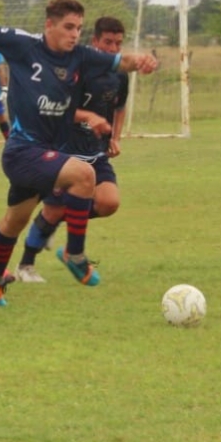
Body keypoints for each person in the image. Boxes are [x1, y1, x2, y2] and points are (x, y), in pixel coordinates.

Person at [0, 0, 157, 307]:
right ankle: (75, 254)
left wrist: (142, 61)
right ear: (49, 25)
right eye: (68, 27)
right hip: (22, 151)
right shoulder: (23, 45)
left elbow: (122, 63)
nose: (74, 34)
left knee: (14, 221)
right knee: (83, 175)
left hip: (45, 153)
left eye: (78, 27)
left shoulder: (80, 56)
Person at [15, 16, 131, 283]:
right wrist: (87, 117)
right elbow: (57, 109)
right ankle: (25, 266)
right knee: (54, 211)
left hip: (95, 152)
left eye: (118, 43)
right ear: (95, 42)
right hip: (64, 151)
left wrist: (115, 136)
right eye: (107, 43)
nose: (113, 49)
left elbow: (118, 107)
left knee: (109, 202)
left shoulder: (119, 74)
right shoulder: (75, 72)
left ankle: (58, 232)